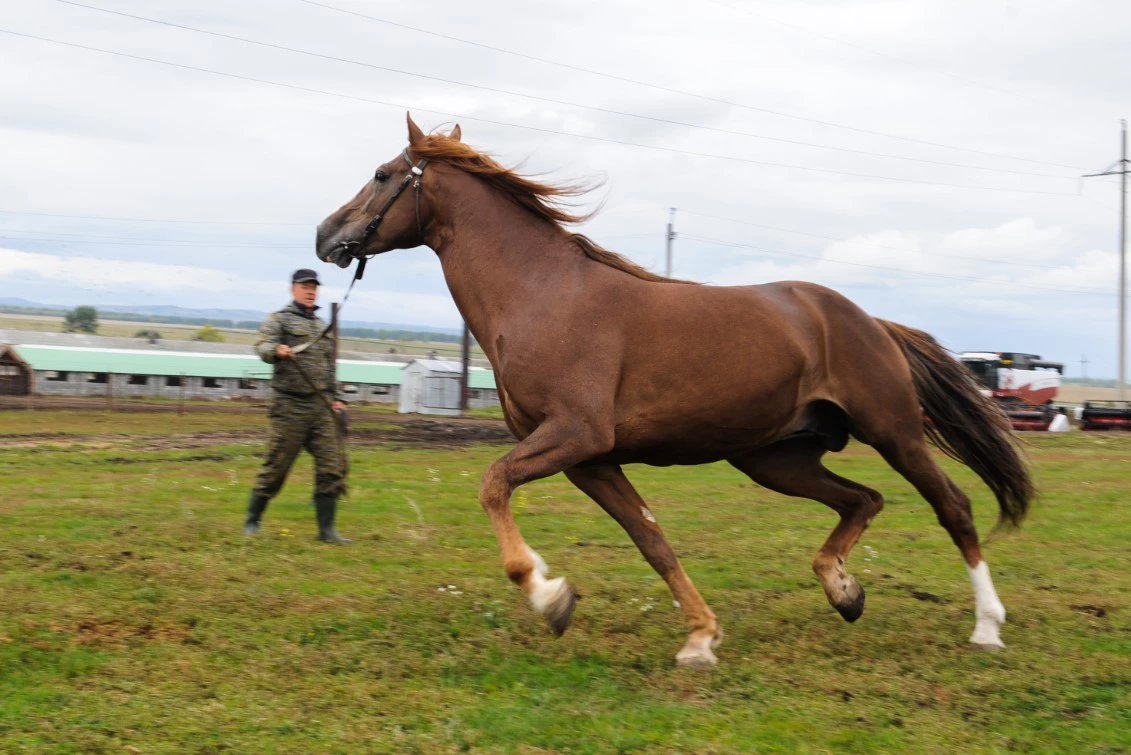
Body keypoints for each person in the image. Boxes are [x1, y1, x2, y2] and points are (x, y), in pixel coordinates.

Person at [243, 269, 351, 543]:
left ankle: (327, 531)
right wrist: (276, 351)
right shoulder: (279, 320)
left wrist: (337, 397)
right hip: (289, 406)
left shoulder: (320, 326)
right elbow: (261, 345)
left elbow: (328, 368)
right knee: (276, 467)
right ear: (293, 289)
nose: (310, 290)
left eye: (314, 286)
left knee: (331, 467)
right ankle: (252, 522)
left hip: (320, 407)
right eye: (305, 286)